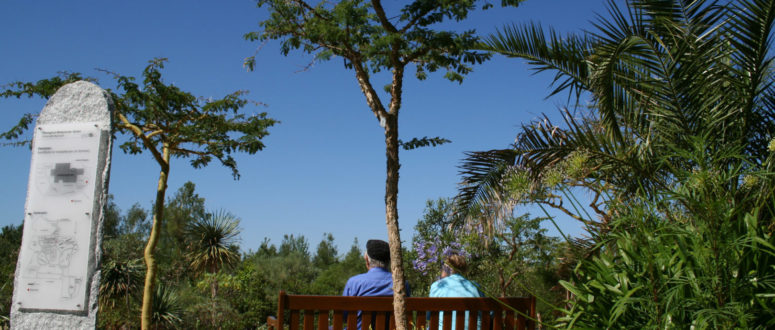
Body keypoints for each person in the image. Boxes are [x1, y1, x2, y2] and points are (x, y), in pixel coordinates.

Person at [342, 239, 410, 329]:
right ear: (389, 261)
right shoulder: (402, 284)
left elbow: (344, 317)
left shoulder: (354, 283)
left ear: (367, 259)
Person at [429, 254, 483, 330]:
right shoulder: (476, 287)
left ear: (446, 269)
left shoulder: (436, 286)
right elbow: (488, 314)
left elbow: (430, 316)